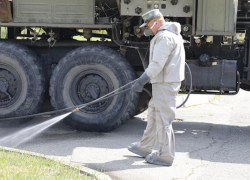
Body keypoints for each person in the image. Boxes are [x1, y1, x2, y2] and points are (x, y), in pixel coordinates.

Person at [128, 9, 185, 166]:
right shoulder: (169, 35)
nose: (146, 29)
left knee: (163, 118)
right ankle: (145, 147)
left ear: (155, 22)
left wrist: (141, 80)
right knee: (153, 111)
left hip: (165, 83)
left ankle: (165, 156)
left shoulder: (164, 37)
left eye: (147, 25)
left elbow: (157, 64)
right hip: (164, 82)